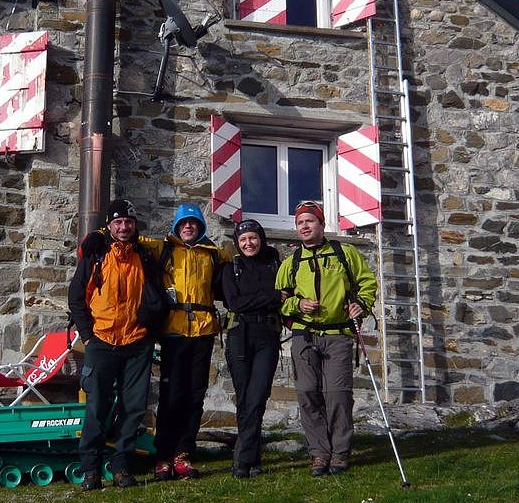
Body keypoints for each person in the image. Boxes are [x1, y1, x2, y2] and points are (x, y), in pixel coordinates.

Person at [275, 201, 377, 477]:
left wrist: (361, 305)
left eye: (310, 221)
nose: (305, 226)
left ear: (321, 224)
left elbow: (367, 283)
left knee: (337, 395)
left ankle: (340, 453)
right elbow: (278, 300)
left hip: (338, 335)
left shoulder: (345, 253)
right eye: (300, 223)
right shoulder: (291, 262)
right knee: (307, 393)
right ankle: (319, 454)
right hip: (304, 336)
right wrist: (298, 305)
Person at [68, 199, 164, 491]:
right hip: (101, 341)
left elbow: (158, 296)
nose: (124, 227)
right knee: (97, 407)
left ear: (135, 226)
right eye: (118, 222)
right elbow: (76, 298)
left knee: (133, 408)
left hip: (137, 343)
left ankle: (121, 467)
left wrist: (150, 333)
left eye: (129, 223)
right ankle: (91, 471)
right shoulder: (96, 254)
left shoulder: (145, 256)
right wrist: (87, 336)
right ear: (109, 225)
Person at [150, 204, 228, 481]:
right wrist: (101, 234)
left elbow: (239, 261)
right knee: (172, 396)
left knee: (196, 395)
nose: (188, 227)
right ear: (176, 226)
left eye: (193, 223)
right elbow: (133, 239)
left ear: (201, 226)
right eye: (184, 223)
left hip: (204, 331)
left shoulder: (214, 254)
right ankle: (162, 456)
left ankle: (183, 453)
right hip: (174, 333)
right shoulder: (164, 248)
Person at [220, 218, 288, 478]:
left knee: (257, 396)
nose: (249, 243)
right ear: (238, 244)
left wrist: (264, 301)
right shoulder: (231, 269)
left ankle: (242, 458)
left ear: (261, 239)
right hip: (240, 336)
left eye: (253, 238)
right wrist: (270, 297)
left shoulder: (275, 267)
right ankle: (251, 458)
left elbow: (286, 297)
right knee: (245, 397)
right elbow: (235, 303)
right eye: (243, 240)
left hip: (267, 337)